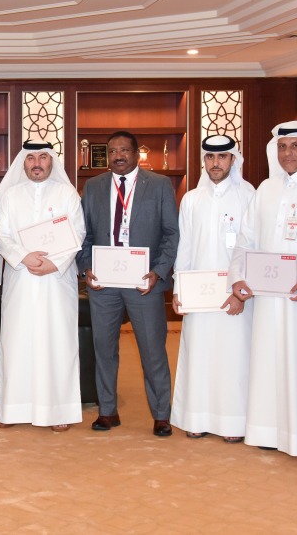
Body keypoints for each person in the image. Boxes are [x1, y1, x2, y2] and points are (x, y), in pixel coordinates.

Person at [230, 121, 297, 459]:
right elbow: (245, 241)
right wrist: (238, 277)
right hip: (268, 296)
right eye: (282, 147)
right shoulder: (266, 189)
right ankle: (270, 430)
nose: (287, 153)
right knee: (269, 358)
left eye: (295, 146)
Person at [77, 131, 179, 437]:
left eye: (124, 150)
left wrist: (159, 272)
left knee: (152, 350)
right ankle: (107, 411)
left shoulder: (160, 185)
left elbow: (172, 234)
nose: (118, 156)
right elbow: (84, 234)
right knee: (103, 349)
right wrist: (86, 267)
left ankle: (161, 414)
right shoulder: (93, 186)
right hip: (104, 284)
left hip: (143, 282)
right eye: (112, 152)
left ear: (136, 154)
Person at [0, 140, 86, 432]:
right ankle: (13, 409)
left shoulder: (67, 194)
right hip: (21, 279)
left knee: (57, 342)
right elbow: (1, 235)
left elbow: (77, 233)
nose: (37, 163)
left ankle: (57, 411)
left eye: (43, 157)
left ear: (51, 161)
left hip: (57, 282)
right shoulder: (10, 196)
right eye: (31, 157)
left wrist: (53, 263)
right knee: (17, 342)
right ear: (23, 163)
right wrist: (24, 257)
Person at [169, 135, 254, 442]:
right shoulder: (192, 199)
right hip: (199, 294)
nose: (216, 164)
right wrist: (179, 288)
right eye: (210, 158)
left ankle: (233, 423)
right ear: (204, 161)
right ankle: (197, 417)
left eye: (223, 158)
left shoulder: (248, 195)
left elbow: (251, 248)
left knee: (234, 357)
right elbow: (186, 247)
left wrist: (240, 292)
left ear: (233, 160)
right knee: (199, 355)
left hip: (234, 294)